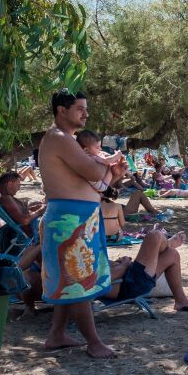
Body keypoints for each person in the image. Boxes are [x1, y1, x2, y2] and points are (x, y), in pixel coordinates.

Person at [37, 89, 125, 358]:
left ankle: (56, 335)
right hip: (68, 220)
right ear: (61, 111)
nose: (86, 114)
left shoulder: (68, 140)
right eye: (79, 108)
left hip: (79, 217)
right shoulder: (59, 138)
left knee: (70, 281)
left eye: (86, 108)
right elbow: (93, 172)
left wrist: (112, 175)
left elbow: (92, 185)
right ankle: (94, 343)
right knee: (78, 280)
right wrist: (106, 164)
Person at [103, 228, 188, 311]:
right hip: (127, 285)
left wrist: (117, 263)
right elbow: (105, 279)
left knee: (172, 254)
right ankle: (167, 244)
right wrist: (123, 265)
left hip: (127, 278)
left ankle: (181, 301)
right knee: (154, 235)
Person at [0, 171, 45, 238]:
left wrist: (35, 208)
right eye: (18, 185)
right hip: (33, 229)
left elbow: (20, 212)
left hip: (32, 224)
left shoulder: (6, 197)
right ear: (9, 184)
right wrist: (40, 211)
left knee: (38, 204)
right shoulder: (6, 199)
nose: (19, 188)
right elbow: (24, 221)